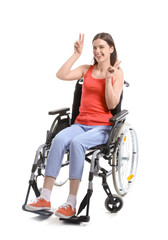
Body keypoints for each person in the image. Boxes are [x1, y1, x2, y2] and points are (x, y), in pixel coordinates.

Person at [26, 32, 124, 219]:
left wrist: (108, 79)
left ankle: (71, 203)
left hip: (102, 127)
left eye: (102, 47)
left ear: (111, 48)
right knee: (59, 139)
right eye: (94, 47)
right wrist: (76, 55)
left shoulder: (117, 72)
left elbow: (112, 105)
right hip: (80, 124)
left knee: (77, 143)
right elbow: (61, 75)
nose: (97, 51)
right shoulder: (86, 69)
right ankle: (45, 197)